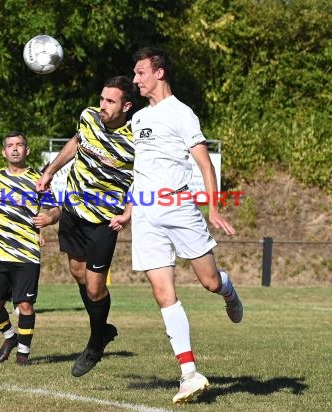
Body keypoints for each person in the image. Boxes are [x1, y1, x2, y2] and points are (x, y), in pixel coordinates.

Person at [130, 47, 243, 404]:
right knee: (163, 293)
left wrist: (213, 208)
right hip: (147, 215)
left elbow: (205, 165)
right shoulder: (137, 120)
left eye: (141, 73)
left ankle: (228, 290)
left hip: (179, 208)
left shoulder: (181, 113)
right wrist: (129, 210)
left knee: (209, 282)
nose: (136, 80)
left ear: (159, 73)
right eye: (134, 75)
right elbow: (140, 170)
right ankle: (189, 374)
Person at [36, 76, 136, 377]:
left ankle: (95, 342)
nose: (102, 106)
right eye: (102, 98)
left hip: (105, 220)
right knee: (76, 272)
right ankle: (102, 330)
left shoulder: (137, 140)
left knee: (95, 288)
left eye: (110, 101)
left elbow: (144, 177)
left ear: (126, 106)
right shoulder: (89, 117)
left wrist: (130, 211)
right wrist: (51, 170)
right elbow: (77, 142)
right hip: (73, 209)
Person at [0, 131, 60, 366]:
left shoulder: (39, 179)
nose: (15, 149)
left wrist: (48, 219)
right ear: (4, 152)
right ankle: (9, 337)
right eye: (10, 145)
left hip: (27, 253)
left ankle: (23, 355)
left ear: (27, 150)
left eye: (20, 145)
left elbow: (55, 210)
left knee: (25, 305)